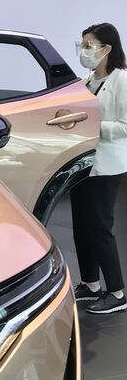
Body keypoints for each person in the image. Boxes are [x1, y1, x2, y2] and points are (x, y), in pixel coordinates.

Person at [71, 22, 127, 314]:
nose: (83, 51)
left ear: (107, 49)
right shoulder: (88, 79)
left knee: (99, 227)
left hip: (108, 163)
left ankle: (117, 292)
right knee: (81, 225)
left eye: (88, 46)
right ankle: (90, 283)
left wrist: (94, 125)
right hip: (83, 161)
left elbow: (125, 126)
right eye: (82, 45)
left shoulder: (122, 80)